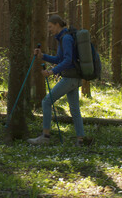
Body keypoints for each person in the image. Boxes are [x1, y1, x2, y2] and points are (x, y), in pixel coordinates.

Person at [27, 14, 85, 146]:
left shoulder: (66, 39)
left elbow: (68, 60)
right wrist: (43, 56)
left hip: (70, 78)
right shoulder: (62, 38)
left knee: (47, 101)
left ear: (57, 25)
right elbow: (59, 59)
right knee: (75, 109)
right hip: (74, 78)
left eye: (50, 26)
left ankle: (45, 136)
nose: (49, 29)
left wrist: (52, 72)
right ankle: (80, 140)